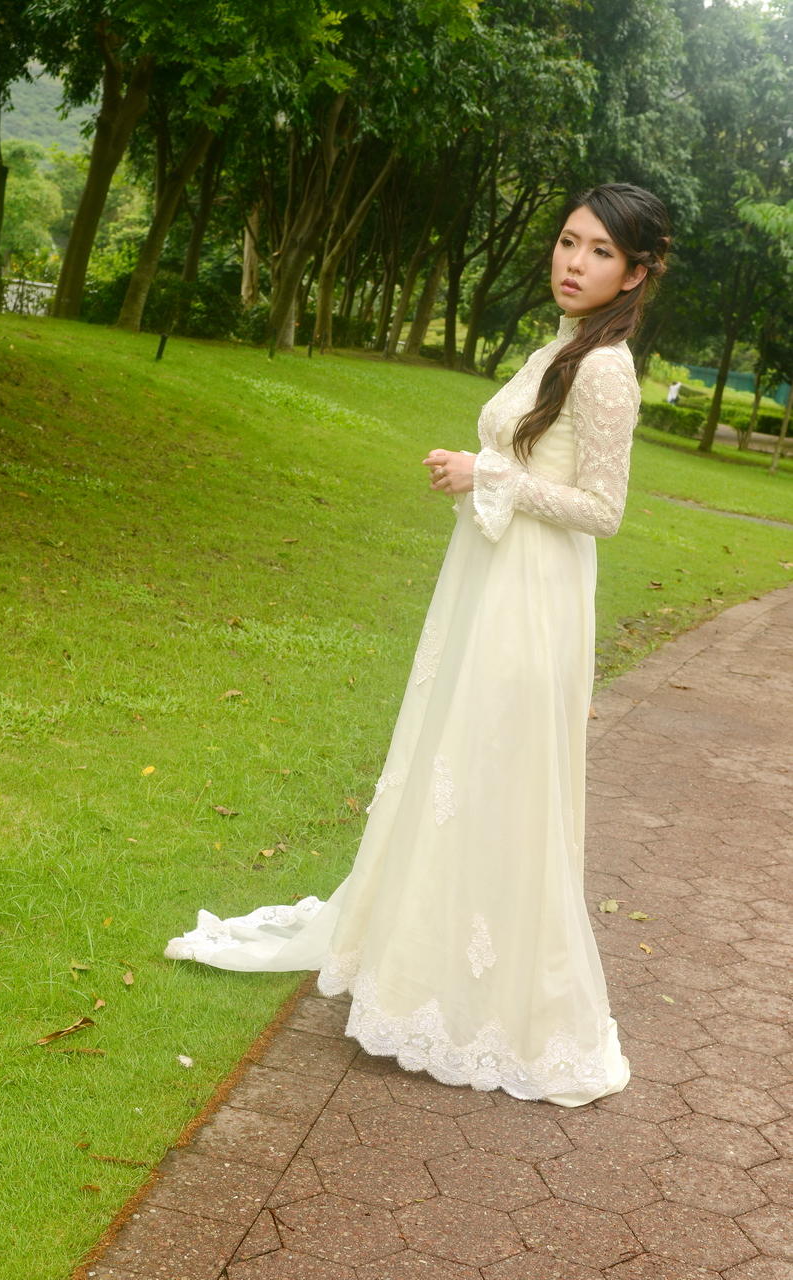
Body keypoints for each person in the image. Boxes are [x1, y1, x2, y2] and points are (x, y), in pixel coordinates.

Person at [166, 182, 671, 1107]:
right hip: (491, 579)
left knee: (495, 770)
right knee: (456, 763)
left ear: (635, 273)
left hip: (532, 597)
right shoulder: (562, 345)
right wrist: (482, 476)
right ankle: (420, 957)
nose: (572, 261)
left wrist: (489, 474)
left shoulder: (604, 368)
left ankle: (483, 997)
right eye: (568, 240)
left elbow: (603, 510)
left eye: (599, 251)